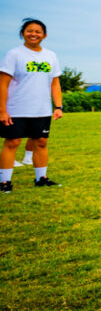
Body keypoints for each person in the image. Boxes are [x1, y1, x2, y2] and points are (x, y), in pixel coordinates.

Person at [1, 18, 63, 193]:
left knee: (41, 142)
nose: (33, 34)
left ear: (44, 35)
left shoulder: (51, 56)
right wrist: (2, 110)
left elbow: (55, 83)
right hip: (16, 108)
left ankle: (41, 178)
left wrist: (58, 106)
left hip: (41, 109)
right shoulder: (14, 54)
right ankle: (4, 182)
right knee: (12, 142)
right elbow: (3, 83)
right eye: (29, 31)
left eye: (38, 31)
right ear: (22, 33)